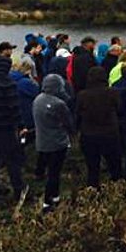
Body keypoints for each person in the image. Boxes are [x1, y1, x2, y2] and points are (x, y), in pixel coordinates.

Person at [33, 74, 74, 210]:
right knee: (54, 173)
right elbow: (69, 123)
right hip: (57, 143)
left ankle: (55, 196)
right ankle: (48, 202)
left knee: (51, 171)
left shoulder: (37, 100)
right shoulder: (59, 104)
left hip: (42, 142)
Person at [76, 66, 122, 188]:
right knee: (115, 166)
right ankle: (117, 192)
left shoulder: (82, 95)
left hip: (89, 135)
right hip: (110, 134)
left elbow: (77, 115)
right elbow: (120, 110)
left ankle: (92, 195)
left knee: (92, 168)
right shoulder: (113, 92)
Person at [0, 54, 25, 200]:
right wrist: (21, 125)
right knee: (12, 159)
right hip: (5, 127)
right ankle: (18, 190)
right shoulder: (8, 83)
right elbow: (14, 107)